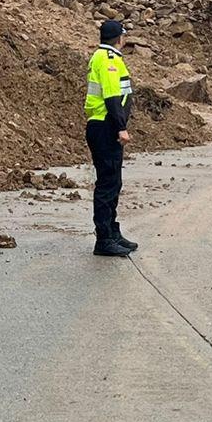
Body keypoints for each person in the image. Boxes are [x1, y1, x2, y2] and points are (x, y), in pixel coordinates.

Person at [86, 18, 137, 257]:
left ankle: (112, 232)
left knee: (114, 182)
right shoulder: (108, 60)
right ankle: (104, 239)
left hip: (106, 125)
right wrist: (120, 128)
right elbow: (112, 97)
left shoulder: (107, 58)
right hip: (106, 125)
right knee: (108, 183)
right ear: (119, 38)